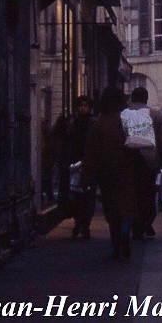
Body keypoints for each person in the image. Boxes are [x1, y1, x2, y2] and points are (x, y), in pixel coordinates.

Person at [80, 86, 138, 259]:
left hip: (106, 172)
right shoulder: (127, 120)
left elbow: (91, 153)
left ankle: (115, 243)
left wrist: (85, 179)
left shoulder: (99, 124)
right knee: (127, 205)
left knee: (112, 209)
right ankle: (126, 232)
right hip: (127, 169)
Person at [127, 86, 162, 239]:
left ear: (132, 98)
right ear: (146, 98)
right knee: (149, 194)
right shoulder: (156, 115)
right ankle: (147, 221)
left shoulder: (124, 114)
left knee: (132, 194)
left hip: (129, 161)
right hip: (151, 161)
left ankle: (135, 223)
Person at [65, 95, 96, 238]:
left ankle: (85, 226)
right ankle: (79, 223)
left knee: (88, 196)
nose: (83, 108)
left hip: (89, 163)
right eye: (81, 105)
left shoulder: (93, 123)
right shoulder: (73, 123)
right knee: (76, 197)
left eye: (86, 105)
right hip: (75, 164)